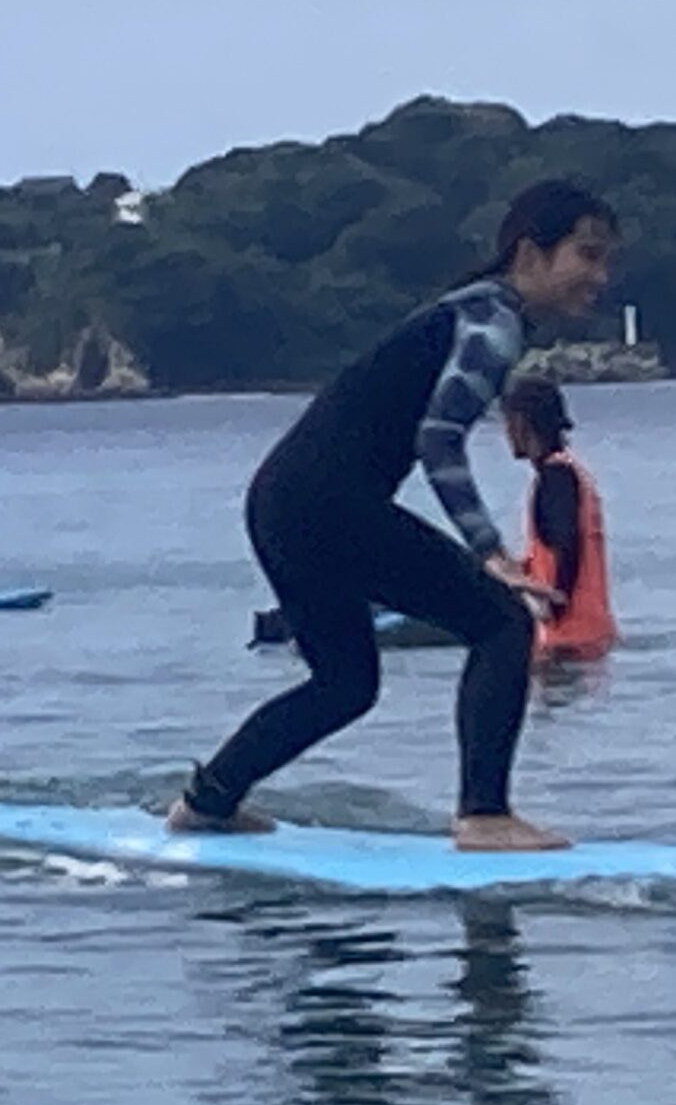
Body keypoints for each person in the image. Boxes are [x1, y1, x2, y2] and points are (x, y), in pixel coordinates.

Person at [170, 179, 618, 851]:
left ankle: (207, 803)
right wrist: (491, 553)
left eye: (606, 259)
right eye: (587, 254)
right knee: (502, 623)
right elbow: (438, 439)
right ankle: (484, 816)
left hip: (281, 500)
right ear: (531, 253)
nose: (600, 276)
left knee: (345, 683)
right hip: (325, 504)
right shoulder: (491, 325)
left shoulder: (471, 311)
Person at [501, 375, 618, 663]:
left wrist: (556, 602)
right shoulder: (572, 473)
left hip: (566, 641)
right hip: (592, 635)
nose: (505, 433)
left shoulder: (556, 478)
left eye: (507, 422)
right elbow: (557, 549)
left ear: (521, 424)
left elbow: (568, 543)